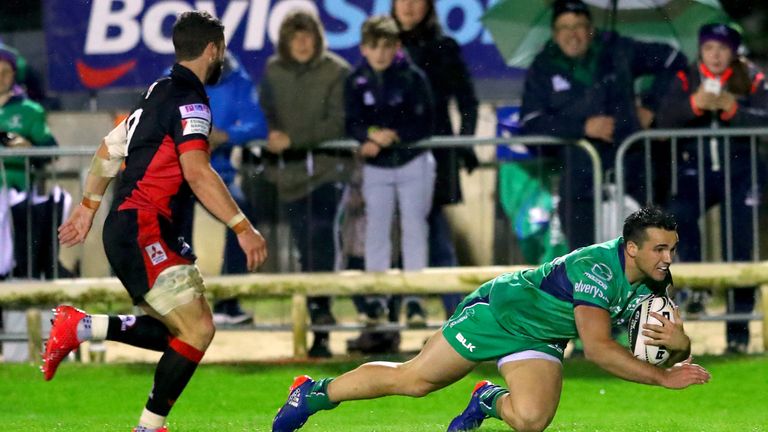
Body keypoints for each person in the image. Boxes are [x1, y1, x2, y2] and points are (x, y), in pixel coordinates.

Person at [272, 207, 711, 432]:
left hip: (542, 337)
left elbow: (672, 342)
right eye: (659, 249)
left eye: (671, 249)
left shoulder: (657, 276)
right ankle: (313, 393)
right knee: (415, 382)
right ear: (631, 248)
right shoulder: (596, 270)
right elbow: (597, 348)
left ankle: (486, 399)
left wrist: (680, 345)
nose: (668, 258)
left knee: (531, 421)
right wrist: (661, 378)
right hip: (500, 314)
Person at [42, 11, 267, 432]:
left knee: (181, 332)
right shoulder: (191, 101)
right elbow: (198, 171)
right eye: (222, 51)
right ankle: (148, 427)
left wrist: (89, 209)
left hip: (136, 226)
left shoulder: (157, 91)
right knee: (198, 329)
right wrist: (242, 227)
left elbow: (109, 150)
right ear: (214, 50)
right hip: (145, 226)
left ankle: (84, 326)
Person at [519, 0, 688, 250]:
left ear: (591, 29)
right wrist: (583, 127)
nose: (572, 34)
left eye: (579, 26)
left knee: (640, 255)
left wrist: (652, 107)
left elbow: (675, 60)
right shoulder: (543, 67)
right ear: (555, 34)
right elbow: (532, 124)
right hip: (579, 178)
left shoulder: (618, 49)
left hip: (632, 171)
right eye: (564, 27)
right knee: (585, 259)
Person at [656, 23, 768, 354]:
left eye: (722, 48)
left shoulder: (752, 76)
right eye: (709, 48)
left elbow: (765, 117)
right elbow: (663, 120)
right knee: (678, 219)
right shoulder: (685, 77)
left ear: (734, 52)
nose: (715, 55)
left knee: (739, 246)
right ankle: (697, 292)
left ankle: (739, 330)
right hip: (697, 172)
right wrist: (694, 104)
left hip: (743, 173)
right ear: (701, 51)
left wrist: (734, 110)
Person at [259, 10, 352, 358]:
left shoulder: (337, 71)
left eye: (307, 35)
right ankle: (316, 317)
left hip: (329, 172)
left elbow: (339, 123)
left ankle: (323, 321)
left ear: (317, 38)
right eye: (295, 36)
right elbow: (265, 115)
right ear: (285, 40)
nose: (301, 42)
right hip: (291, 176)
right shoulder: (273, 71)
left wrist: (293, 139)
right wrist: (270, 138)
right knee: (305, 249)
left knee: (321, 240)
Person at [344, 14, 434, 340]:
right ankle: (377, 299)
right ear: (363, 48)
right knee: (376, 231)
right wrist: (370, 135)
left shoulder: (412, 77)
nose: (380, 53)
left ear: (396, 46)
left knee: (414, 228)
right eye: (373, 46)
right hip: (376, 166)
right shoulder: (355, 80)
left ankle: (414, 298)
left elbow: (426, 122)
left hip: (412, 161)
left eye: (386, 46)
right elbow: (351, 122)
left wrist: (394, 134)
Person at [392, 0, 480, 321]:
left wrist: (464, 144)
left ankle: (448, 307)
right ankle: (406, 308)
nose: (409, 6)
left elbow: (467, 99)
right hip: (389, 156)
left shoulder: (444, 47)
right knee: (398, 229)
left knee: (430, 227)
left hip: (433, 152)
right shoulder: (383, 44)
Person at [175, 50, 269, 325]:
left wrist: (225, 136)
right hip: (178, 175)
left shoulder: (237, 78)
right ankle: (178, 306)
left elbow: (258, 125)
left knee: (242, 217)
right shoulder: (177, 79)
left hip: (217, 174)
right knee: (176, 234)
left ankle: (229, 301)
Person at [0, 46, 59, 278]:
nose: (0, 77)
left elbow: (51, 150)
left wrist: (27, 147)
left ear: (14, 75)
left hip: (13, 194)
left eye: (5, 72)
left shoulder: (29, 110)